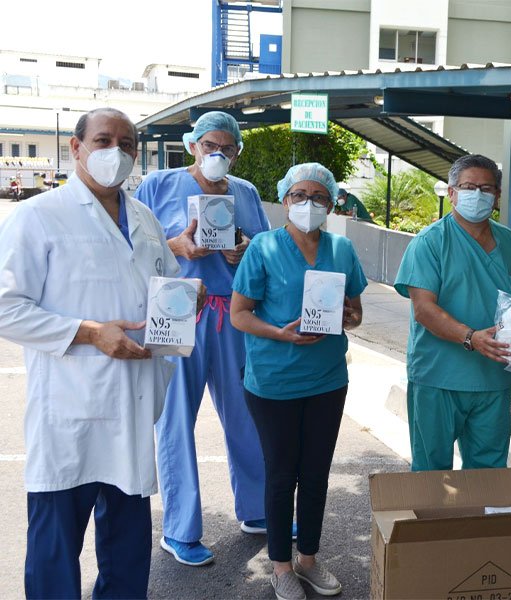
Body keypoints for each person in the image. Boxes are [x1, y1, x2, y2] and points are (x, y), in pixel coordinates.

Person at [0, 107, 180, 598]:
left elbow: (161, 287)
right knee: (54, 551)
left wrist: (185, 298)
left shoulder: (144, 218)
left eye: (126, 144)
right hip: (71, 411)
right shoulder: (39, 215)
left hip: (133, 405)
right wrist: (90, 332)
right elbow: (5, 308)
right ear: (76, 148)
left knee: (127, 553)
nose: (115, 152)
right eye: (103, 140)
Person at [135, 111, 271, 566]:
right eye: (209, 145)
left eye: (227, 147)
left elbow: (266, 251)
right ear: (192, 144)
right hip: (177, 305)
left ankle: (256, 510)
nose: (218, 154)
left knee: (247, 415)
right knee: (174, 419)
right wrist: (176, 245)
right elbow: (129, 243)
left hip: (232, 311)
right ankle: (179, 530)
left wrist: (246, 249)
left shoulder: (246, 192)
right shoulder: (159, 185)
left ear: (237, 151)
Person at [230, 162, 367, 600]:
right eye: (299, 195)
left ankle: (308, 559)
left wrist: (351, 316)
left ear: (332, 202)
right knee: (280, 473)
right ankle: (281, 567)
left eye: (319, 196)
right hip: (273, 381)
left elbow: (357, 312)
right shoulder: (264, 249)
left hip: (327, 379)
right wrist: (281, 333)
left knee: (315, 475)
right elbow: (240, 314)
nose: (309, 203)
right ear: (285, 199)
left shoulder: (342, 249)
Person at [394, 154, 511, 471]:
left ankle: (477, 523)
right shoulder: (430, 243)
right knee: (430, 471)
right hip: (439, 377)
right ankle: (433, 522)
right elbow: (424, 309)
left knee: (489, 472)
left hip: (493, 381)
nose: (477, 194)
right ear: (451, 192)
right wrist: (470, 338)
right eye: (468, 187)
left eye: (486, 188)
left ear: (497, 197)